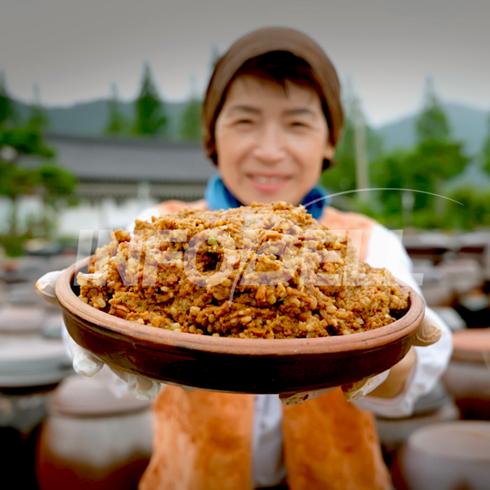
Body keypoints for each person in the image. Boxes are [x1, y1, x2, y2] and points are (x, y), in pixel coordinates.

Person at [37, 27, 451, 490]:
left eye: (297, 124)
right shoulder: (158, 229)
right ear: (212, 133)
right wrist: (90, 326)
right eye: (244, 121)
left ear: (330, 139)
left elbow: (412, 380)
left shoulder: (369, 244)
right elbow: (114, 339)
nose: (270, 150)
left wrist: (387, 360)